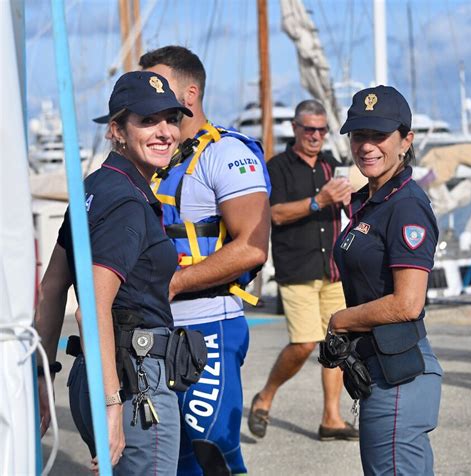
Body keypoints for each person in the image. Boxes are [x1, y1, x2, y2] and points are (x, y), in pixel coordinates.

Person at [35, 71, 193, 474]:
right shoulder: (126, 200)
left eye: (172, 119)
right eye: (148, 120)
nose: (165, 132)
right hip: (135, 385)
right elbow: (90, 305)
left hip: (96, 375)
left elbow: (53, 286)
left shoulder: (95, 188)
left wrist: (42, 375)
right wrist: (111, 407)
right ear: (117, 130)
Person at [139, 46, 271, 475]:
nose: (148, 95)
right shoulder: (151, 159)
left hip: (209, 323)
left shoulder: (226, 155)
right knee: (169, 453)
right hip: (153, 326)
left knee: (210, 444)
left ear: (189, 94)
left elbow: (252, 246)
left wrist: (174, 283)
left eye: (157, 86)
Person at [330, 85, 443, 475]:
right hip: (379, 369)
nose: (366, 146)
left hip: (399, 375)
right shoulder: (372, 201)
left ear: (405, 140)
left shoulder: (406, 204)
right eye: (359, 135)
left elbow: (407, 303)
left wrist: (339, 322)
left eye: (379, 135)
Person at [248, 99, 358, 441]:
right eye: (308, 128)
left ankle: (331, 419)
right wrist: (318, 202)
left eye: (321, 129)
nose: (315, 135)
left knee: (338, 343)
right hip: (297, 269)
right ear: (295, 129)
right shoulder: (277, 166)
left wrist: (347, 200)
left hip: (334, 270)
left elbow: (351, 209)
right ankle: (265, 396)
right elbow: (275, 214)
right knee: (305, 344)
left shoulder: (332, 167)